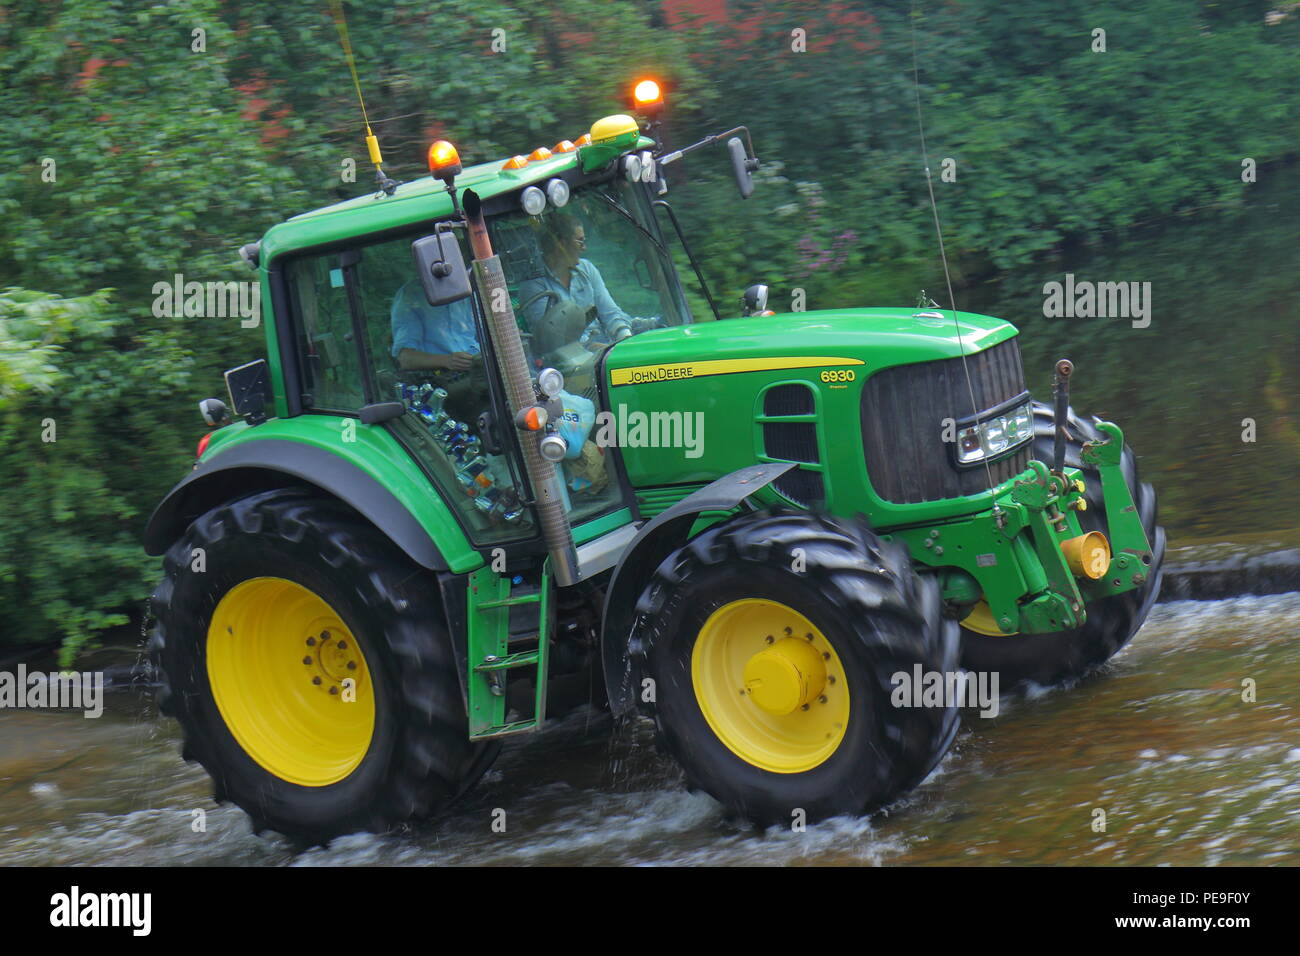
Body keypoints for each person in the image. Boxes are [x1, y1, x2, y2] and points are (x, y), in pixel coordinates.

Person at [518, 213, 634, 347]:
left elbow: (610, 312)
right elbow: (549, 341)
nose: (584, 248)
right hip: (568, 360)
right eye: (580, 242)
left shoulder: (587, 269)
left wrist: (624, 335)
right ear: (561, 244)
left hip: (605, 348)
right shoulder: (534, 285)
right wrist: (589, 347)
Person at [390, 278, 480, 372]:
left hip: (484, 369)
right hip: (439, 379)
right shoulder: (411, 294)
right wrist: (447, 361)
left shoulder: (471, 285)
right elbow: (406, 359)